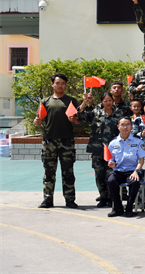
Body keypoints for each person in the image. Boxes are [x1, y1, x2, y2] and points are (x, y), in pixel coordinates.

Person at [34, 73, 80, 209]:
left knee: (68, 172)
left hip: (67, 141)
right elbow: (38, 120)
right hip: (49, 141)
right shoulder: (45, 101)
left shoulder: (71, 101)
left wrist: (74, 119)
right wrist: (37, 121)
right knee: (49, 172)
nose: (60, 86)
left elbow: (78, 120)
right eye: (57, 83)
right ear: (52, 84)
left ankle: (70, 199)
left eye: (63, 83)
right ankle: (47, 199)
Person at [106, 117, 145, 217]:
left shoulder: (138, 142)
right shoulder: (113, 143)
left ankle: (129, 208)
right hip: (118, 171)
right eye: (122, 125)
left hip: (132, 171)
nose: (125, 127)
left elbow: (141, 160)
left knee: (134, 182)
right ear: (118, 127)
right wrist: (111, 163)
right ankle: (118, 208)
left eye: (128, 124)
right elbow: (111, 159)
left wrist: (136, 171)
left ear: (131, 126)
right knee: (111, 181)